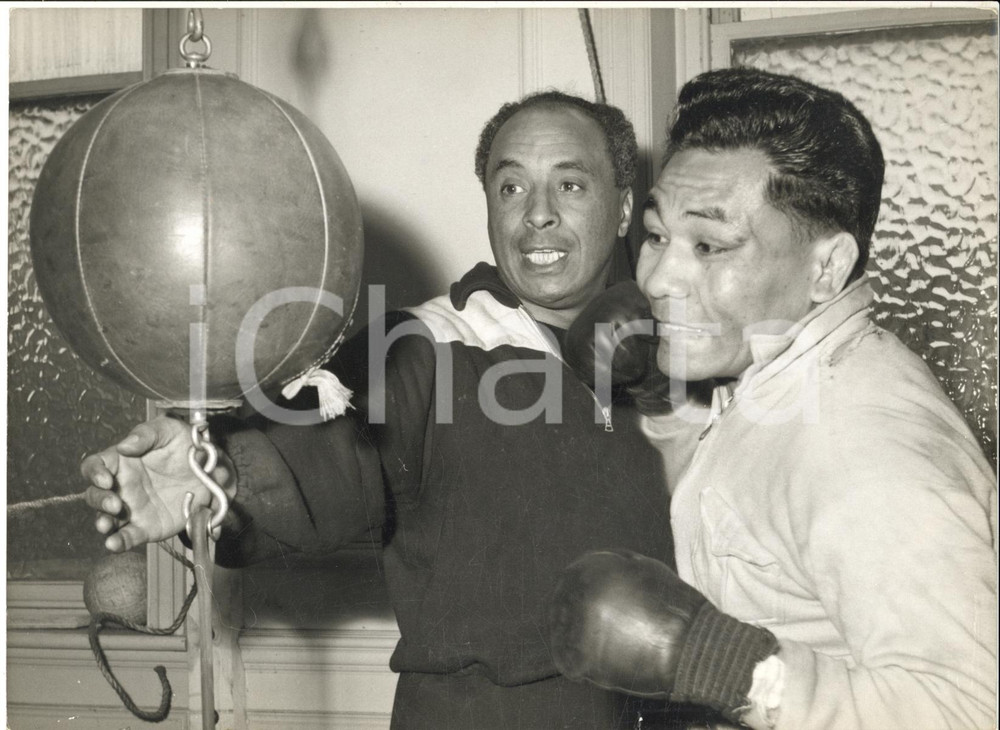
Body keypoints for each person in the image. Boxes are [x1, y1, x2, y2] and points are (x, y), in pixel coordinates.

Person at [83, 91, 679, 729]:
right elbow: (320, 452)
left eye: (570, 184)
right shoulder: (424, 345)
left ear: (623, 209)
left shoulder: (684, 352)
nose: (537, 214)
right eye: (511, 188)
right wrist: (213, 474)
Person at [548, 67, 997, 730]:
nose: (659, 277)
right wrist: (665, 401)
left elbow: (972, 711)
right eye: (658, 236)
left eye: (709, 245)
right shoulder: (784, 371)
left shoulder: (866, 450)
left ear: (826, 267)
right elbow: (752, 502)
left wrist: (723, 663)